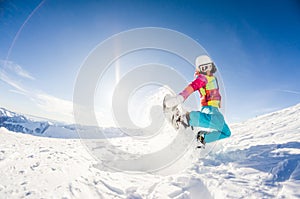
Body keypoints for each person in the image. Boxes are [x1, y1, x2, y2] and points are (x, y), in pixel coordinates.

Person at [164, 55, 231, 147]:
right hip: (208, 107)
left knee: (226, 132)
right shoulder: (203, 78)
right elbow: (193, 86)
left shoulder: (211, 77)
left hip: (214, 108)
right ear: (199, 70)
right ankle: (187, 118)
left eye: (208, 67)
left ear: (211, 67)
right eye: (203, 68)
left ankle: (201, 137)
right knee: (217, 120)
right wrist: (180, 97)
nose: (206, 70)